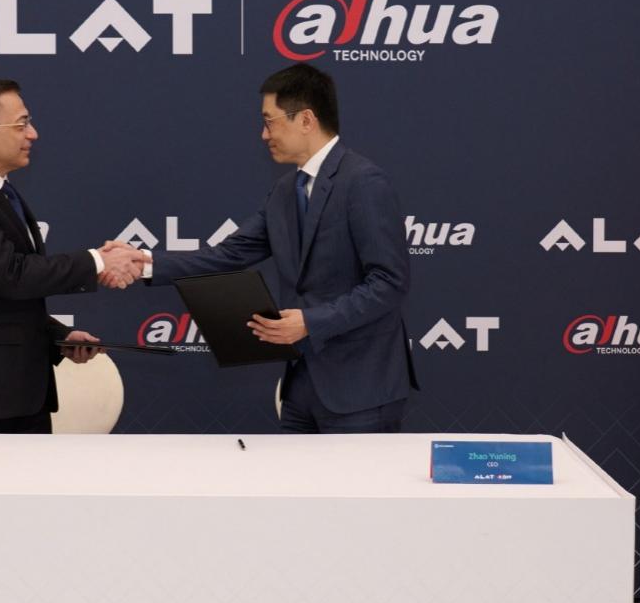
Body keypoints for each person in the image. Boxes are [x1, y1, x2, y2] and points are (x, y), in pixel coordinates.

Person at [112, 63, 415, 432]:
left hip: (362, 389)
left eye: (270, 122)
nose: (264, 134)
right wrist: (144, 262)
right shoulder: (286, 190)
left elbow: (389, 282)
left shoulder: (364, 181)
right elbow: (229, 254)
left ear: (306, 119)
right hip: (300, 386)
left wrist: (310, 322)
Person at [0, 79, 143, 433]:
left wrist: (57, 336)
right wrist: (99, 261)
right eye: (21, 124)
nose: (33, 134)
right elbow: (12, 275)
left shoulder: (0, 191)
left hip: (19, 393)